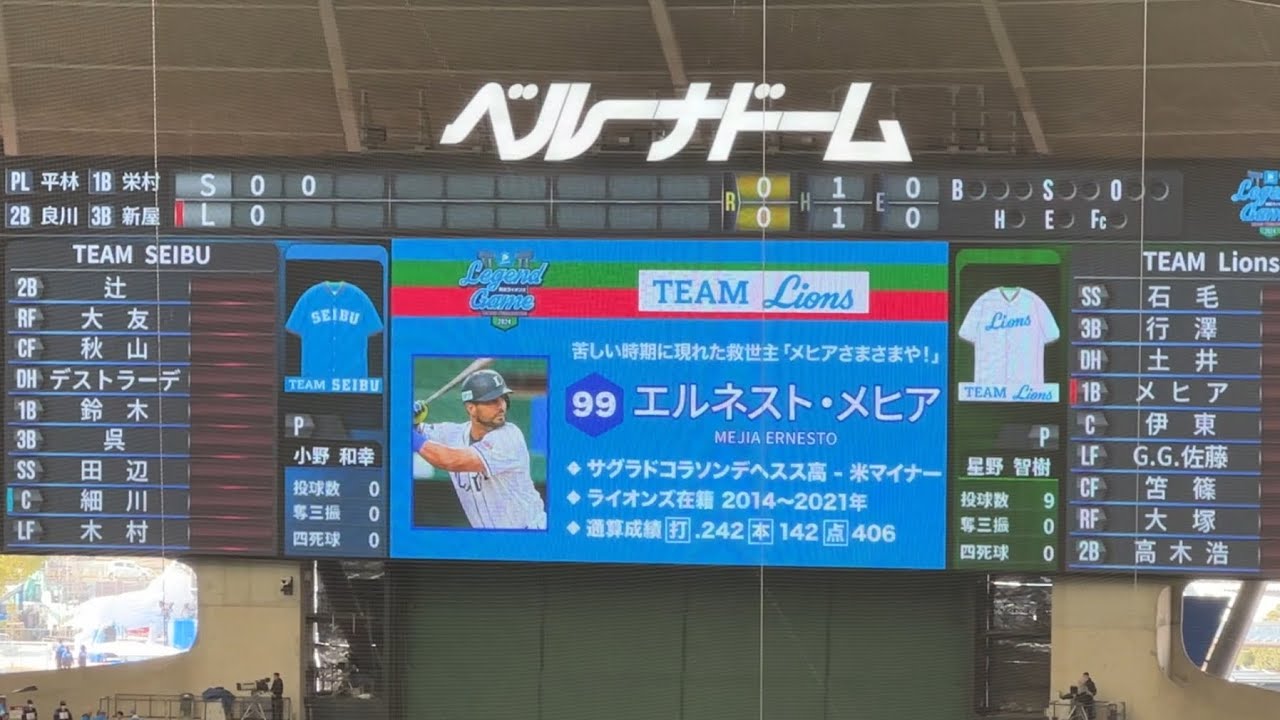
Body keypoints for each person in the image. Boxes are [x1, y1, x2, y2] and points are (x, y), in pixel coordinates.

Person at [412, 369, 546, 529]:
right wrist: (410, 419)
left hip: (529, 536)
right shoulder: (454, 433)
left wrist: (406, 430)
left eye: (503, 398)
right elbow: (417, 432)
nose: (501, 406)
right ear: (471, 408)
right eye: (492, 401)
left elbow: (450, 460)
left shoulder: (509, 437)